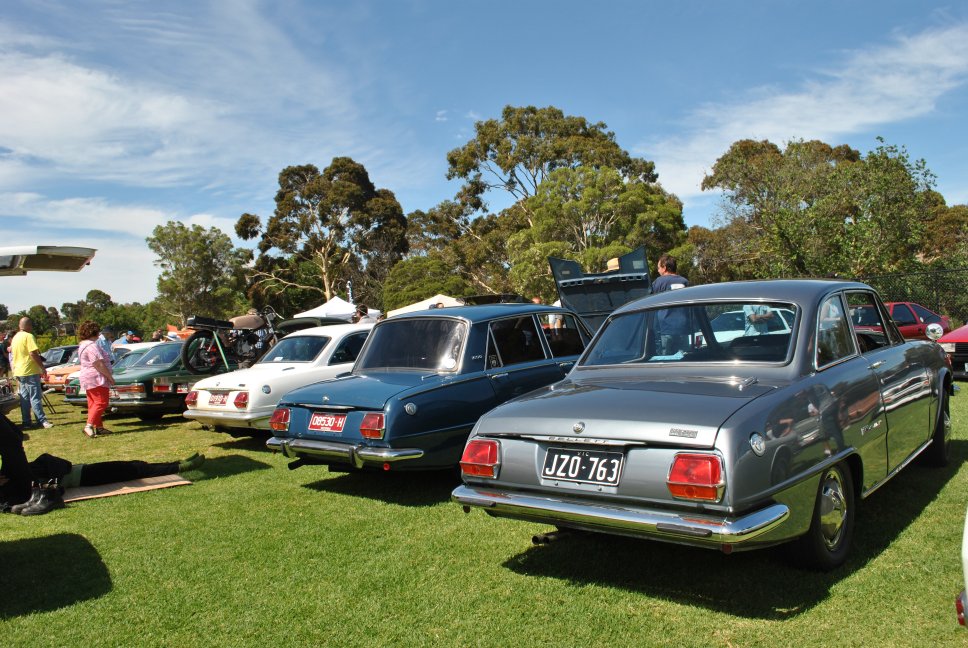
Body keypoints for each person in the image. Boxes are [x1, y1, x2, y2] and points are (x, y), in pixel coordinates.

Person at [4, 447, 205, 516]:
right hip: (86, 476)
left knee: (135, 466)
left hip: (83, 471)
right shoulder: (17, 484)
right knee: (135, 469)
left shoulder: (18, 474)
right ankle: (182, 466)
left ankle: (180, 463)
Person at [11, 317, 52, 429]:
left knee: (24, 398)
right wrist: (42, 368)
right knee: (35, 397)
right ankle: (41, 420)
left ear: (20, 326)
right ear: (29, 326)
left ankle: (26, 422)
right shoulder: (29, 336)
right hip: (30, 370)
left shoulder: (15, 337)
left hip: (19, 371)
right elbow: (33, 353)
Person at [77, 320, 115, 438]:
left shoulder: (83, 344)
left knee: (93, 403)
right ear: (93, 332)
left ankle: (99, 427)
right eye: (98, 331)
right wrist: (109, 376)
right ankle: (89, 426)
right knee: (101, 402)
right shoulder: (91, 346)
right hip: (96, 377)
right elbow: (97, 363)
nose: (99, 334)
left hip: (88, 377)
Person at [652, 254, 690, 355]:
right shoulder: (685, 282)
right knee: (685, 357)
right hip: (683, 327)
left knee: (665, 360)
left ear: (664, 268)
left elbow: (650, 303)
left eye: (659, 268)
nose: (658, 271)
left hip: (665, 328)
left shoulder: (658, 282)